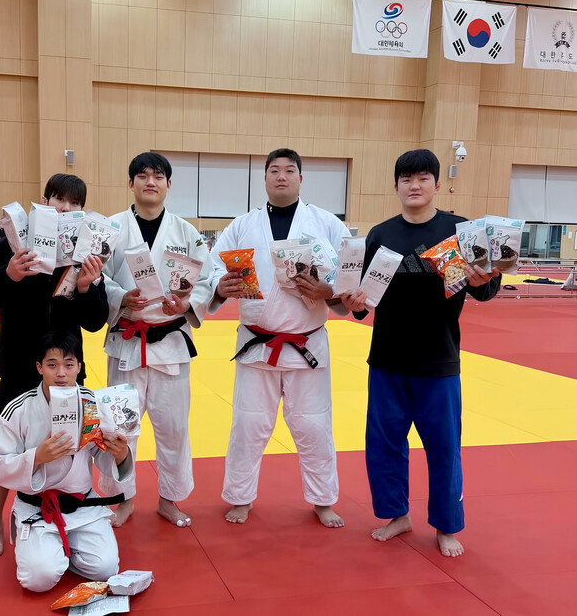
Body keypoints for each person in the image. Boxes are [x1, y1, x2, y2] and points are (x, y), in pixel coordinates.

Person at [341, 148, 501, 558]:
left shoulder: (459, 231)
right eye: (406, 179)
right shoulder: (380, 235)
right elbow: (360, 301)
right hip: (387, 359)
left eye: (422, 178)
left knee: (444, 448)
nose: (414, 185)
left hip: (438, 359)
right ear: (396, 186)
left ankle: (447, 525)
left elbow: (484, 289)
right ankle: (397, 515)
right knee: (384, 444)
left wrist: (483, 279)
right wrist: (353, 302)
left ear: (436, 184)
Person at [0, 173, 109, 558]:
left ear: (81, 211)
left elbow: (96, 321)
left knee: (70, 444)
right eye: (58, 200)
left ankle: (67, 514)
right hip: (19, 367)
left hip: (66, 371)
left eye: (74, 204)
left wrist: (86, 287)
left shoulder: (84, 254)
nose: (65, 209)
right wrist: (9, 275)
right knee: (5, 449)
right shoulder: (11, 245)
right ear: (44, 202)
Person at [210, 148, 350, 527]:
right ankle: (240, 497)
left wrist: (328, 290)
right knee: (248, 425)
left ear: (301, 178)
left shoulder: (326, 223)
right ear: (265, 178)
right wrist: (221, 287)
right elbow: (212, 270)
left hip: (307, 344)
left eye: (289, 170)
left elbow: (350, 272)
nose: (282, 176)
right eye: (274, 170)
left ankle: (323, 499)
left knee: (313, 426)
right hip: (257, 344)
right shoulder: (242, 226)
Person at [99, 152, 214, 528]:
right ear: (130, 183)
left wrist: (187, 303)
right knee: (118, 428)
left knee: (173, 429)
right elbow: (96, 276)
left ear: (169, 184)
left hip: (170, 344)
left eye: (158, 176)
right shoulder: (112, 228)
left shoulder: (187, 233)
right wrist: (120, 297)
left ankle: (169, 500)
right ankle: (123, 500)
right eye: (143, 176)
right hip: (127, 342)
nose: (151, 181)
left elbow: (208, 280)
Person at [0, 331, 133, 592]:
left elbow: (101, 455)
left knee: (106, 569)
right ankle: (47, 548)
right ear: (39, 367)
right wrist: (36, 457)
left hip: (82, 505)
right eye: (52, 365)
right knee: (37, 580)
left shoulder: (91, 404)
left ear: (79, 367)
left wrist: (120, 454)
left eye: (68, 364)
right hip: (37, 507)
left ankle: (61, 550)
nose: (61, 373)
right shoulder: (19, 409)